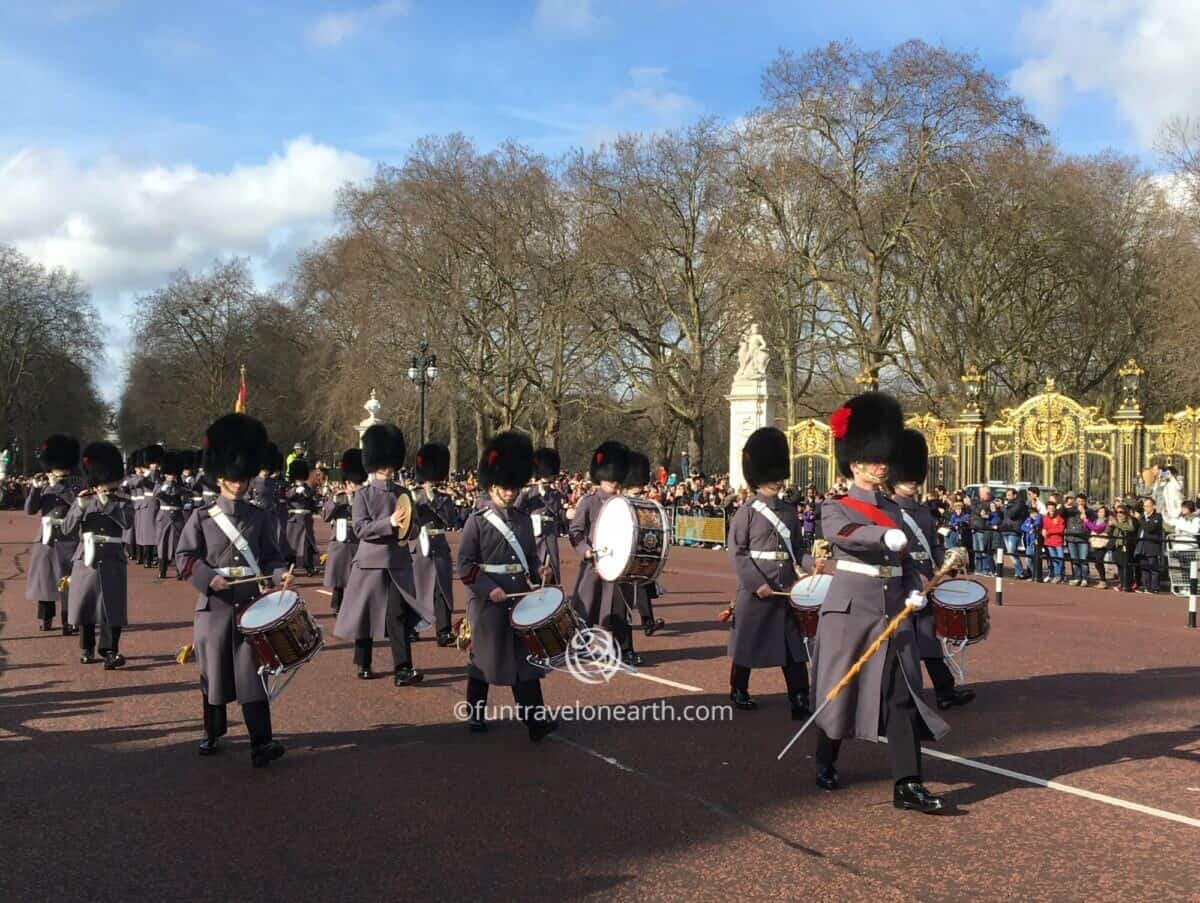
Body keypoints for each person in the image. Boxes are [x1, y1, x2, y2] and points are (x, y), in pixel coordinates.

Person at [811, 392, 950, 814]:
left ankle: (907, 784)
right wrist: (881, 536)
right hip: (853, 611)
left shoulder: (895, 508)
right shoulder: (836, 506)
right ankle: (825, 758)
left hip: (895, 611)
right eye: (873, 459)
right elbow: (844, 535)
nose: (882, 465)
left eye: (883, 457)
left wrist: (914, 585)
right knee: (840, 691)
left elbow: (905, 558)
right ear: (855, 462)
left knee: (904, 694)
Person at [175, 414, 290, 766]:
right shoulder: (202, 518)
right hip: (215, 605)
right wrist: (209, 578)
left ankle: (261, 742)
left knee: (252, 673)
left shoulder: (259, 517)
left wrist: (279, 573)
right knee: (214, 672)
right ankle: (212, 731)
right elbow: (185, 558)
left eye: (243, 479)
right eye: (232, 480)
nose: (239, 485)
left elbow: (271, 557)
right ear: (219, 478)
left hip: (250, 606)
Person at [456, 431, 558, 740]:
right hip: (488, 600)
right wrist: (489, 589)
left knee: (525, 662)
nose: (511, 493)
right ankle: (476, 714)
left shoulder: (524, 520)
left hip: (518, 596)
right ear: (491, 486)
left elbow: (528, 557)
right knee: (482, 661)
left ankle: (535, 723)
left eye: (515, 487)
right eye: (505, 487)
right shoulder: (477, 520)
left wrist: (540, 569)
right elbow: (465, 565)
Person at [333, 423, 431, 684]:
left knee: (397, 615)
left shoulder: (403, 492)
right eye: (384, 463)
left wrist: (408, 528)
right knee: (365, 614)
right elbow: (361, 528)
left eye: (391, 463)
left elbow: (415, 526)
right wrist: (389, 522)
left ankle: (403, 668)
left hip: (397, 562)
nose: (388, 469)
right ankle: (363, 662)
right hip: (371, 562)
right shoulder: (363, 495)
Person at [725, 427, 810, 717]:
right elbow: (737, 551)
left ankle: (799, 696)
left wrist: (811, 567)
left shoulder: (789, 510)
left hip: (785, 586)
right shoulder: (747, 511)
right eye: (771, 475)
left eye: (778, 475)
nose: (776, 481)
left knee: (793, 648)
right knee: (746, 643)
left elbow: (797, 547)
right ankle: (738, 689)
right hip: (757, 588)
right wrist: (754, 583)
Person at [890, 429, 974, 711]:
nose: (912, 482)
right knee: (901, 641)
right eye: (906, 477)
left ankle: (944, 692)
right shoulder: (890, 511)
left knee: (928, 639)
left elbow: (933, 546)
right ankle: (899, 693)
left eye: (914, 477)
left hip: (927, 582)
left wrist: (948, 561)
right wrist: (915, 575)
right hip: (904, 582)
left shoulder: (923, 511)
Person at [64, 442, 133, 668]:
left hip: (112, 556)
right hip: (87, 558)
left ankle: (111, 651)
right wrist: (79, 507)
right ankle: (87, 647)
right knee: (86, 604)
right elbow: (67, 529)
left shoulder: (123, 500)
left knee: (112, 607)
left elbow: (127, 523)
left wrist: (109, 504)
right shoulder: (84, 499)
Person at [569, 441, 631, 650]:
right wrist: (584, 550)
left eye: (617, 483)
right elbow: (575, 532)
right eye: (611, 483)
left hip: (617, 565)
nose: (615, 487)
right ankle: (579, 646)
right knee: (585, 607)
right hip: (593, 563)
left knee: (614, 610)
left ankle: (618, 649)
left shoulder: (625, 503)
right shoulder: (589, 501)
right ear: (602, 479)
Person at [24, 435, 81, 633]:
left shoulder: (75, 486)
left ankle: (69, 620)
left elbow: (76, 505)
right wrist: (35, 489)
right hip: (46, 538)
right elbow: (30, 510)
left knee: (68, 582)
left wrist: (57, 486)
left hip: (68, 537)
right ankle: (45, 618)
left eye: (62, 470)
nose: (59, 473)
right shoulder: (43, 486)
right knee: (45, 580)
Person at [411, 442, 458, 647]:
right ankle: (412, 627)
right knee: (416, 588)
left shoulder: (444, 499)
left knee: (442, 589)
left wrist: (431, 498)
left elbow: (450, 520)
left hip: (438, 545)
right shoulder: (412, 496)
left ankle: (444, 630)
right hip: (419, 546)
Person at [614, 451, 659, 661]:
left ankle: (626, 648)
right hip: (618, 561)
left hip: (639, 559)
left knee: (629, 604)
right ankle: (621, 650)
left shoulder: (643, 504)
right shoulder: (617, 504)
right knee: (618, 608)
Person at [322, 448, 364, 614]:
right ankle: (337, 605)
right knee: (339, 575)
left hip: (358, 538)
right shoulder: (338, 496)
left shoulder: (363, 496)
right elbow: (326, 515)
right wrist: (337, 500)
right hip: (341, 539)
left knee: (357, 575)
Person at [516, 447, 565, 586]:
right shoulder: (530, 491)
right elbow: (516, 509)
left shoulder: (554, 493)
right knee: (533, 568)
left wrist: (544, 493)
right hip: (533, 535)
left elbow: (556, 509)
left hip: (549, 536)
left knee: (552, 570)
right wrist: (524, 494)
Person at [152, 451, 188, 580]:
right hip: (164, 516)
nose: (171, 476)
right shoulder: (160, 484)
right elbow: (156, 494)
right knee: (163, 543)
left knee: (178, 544)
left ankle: (179, 571)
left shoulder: (180, 485)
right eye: (169, 473)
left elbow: (184, 495)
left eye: (173, 473)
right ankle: (162, 570)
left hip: (177, 516)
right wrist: (166, 484)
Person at [284, 458, 318, 576]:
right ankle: (289, 568)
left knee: (307, 545)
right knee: (292, 546)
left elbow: (314, 503)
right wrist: (294, 491)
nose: (300, 480)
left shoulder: (308, 489)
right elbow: (286, 498)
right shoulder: (289, 488)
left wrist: (306, 493)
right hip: (294, 519)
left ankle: (309, 567)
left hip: (306, 520)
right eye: (298, 478)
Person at [135, 444, 164, 569]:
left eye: (156, 463)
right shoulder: (145, 476)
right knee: (148, 534)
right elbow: (136, 483)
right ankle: (147, 558)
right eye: (153, 463)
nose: (155, 465)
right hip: (147, 504)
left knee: (158, 532)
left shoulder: (161, 475)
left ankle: (157, 556)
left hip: (159, 504)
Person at [1135, 497, 1164, 594]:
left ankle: (1155, 587)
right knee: (1144, 567)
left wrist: (1140, 519)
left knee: (1153, 567)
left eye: (1148, 506)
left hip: (1152, 545)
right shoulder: (1143, 517)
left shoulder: (1157, 517)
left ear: (1153, 507)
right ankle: (1146, 586)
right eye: (1144, 506)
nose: (1145, 508)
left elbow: (1149, 528)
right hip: (1141, 544)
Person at [999, 488, 1029, 579]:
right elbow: (1002, 515)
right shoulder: (1007, 504)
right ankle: (1018, 571)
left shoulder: (1019, 503)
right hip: (1005, 529)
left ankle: (1020, 571)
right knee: (1010, 552)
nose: (1007, 497)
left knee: (1012, 551)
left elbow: (1012, 514)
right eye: (1006, 495)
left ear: (1015, 495)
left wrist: (1003, 506)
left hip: (1014, 530)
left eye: (1009, 495)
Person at [1107, 504, 1137, 592]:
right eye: (1117, 512)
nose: (1119, 514)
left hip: (1126, 546)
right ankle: (1122, 583)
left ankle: (1127, 584)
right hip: (1116, 545)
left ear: (1125, 512)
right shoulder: (1116, 520)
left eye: (1121, 512)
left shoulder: (1129, 520)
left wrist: (1117, 524)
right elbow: (1109, 531)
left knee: (1126, 566)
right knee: (1119, 565)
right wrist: (1109, 525)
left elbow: (1130, 528)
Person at [1041, 502, 1066, 583]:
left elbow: (1060, 529)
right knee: (1054, 559)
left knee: (1060, 559)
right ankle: (1057, 575)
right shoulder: (1044, 518)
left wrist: (1049, 532)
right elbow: (1044, 527)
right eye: (1049, 508)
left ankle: (1060, 575)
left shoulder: (1059, 518)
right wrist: (1043, 530)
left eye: (1052, 508)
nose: (1051, 510)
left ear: (1055, 509)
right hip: (1049, 541)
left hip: (1058, 541)